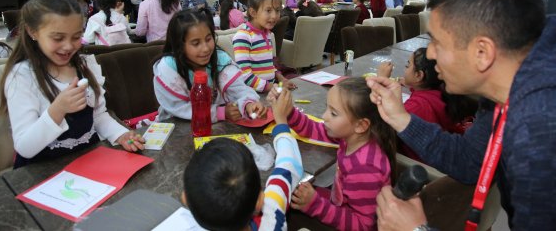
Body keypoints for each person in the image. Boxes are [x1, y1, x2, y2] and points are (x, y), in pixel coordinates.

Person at [367, 0, 556, 230]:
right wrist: (400, 118)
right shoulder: (503, 90)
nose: (430, 55)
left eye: (437, 43)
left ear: (482, 52)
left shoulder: (540, 132)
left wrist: (416, 229)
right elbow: (469, 161)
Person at [0, 0, 144, 169]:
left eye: (76, 37)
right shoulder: (22, 76)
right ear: (32, 32)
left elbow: (98, 115)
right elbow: (25, 147)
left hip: (88, 162)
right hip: (41, 173)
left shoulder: (85, 65)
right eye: (58, 38)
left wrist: (120, 134)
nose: (68, 46)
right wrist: (57, 110)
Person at [269, 77, 396, 230]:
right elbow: (311, 129)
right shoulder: (351, 136)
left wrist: (315, 204)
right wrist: (289, 112)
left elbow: (363, 225)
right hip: (338, 201)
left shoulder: (364, 168)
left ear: (361, 125)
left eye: (333, 113)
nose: (324, 116)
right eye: (327, 108)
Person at [182, 89, 302, 230]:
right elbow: (288, 166)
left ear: (185, 200)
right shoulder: (272, 216)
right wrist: (281, 122)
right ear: (260, 202)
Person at [153, 8, 265, 122]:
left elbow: (239, 89)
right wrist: (219, 112)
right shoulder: (169, 69)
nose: (206, 48)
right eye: (196, 43)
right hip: (175, 127)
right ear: (179, 46)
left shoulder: (220, 61)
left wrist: (248, 104)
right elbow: (179, 108)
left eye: (208, 39)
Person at [376, 47, 477, 162]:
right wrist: (414, 86)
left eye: (408, 66)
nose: (405, 69)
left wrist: (381, 78)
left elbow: (383, 127)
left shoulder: (417, 107)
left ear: (419, 75)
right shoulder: (442, 92)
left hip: (415, 164)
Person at [232, 0, 296, 92]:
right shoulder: (243, 36)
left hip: (268, 92)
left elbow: (269, 66)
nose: (274, 16)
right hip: (252, 97)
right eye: (268, 10)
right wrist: (274, 87)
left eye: (277, 10)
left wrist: (282, 80)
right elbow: (245, 75)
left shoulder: (267, 34)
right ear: (253, 12)